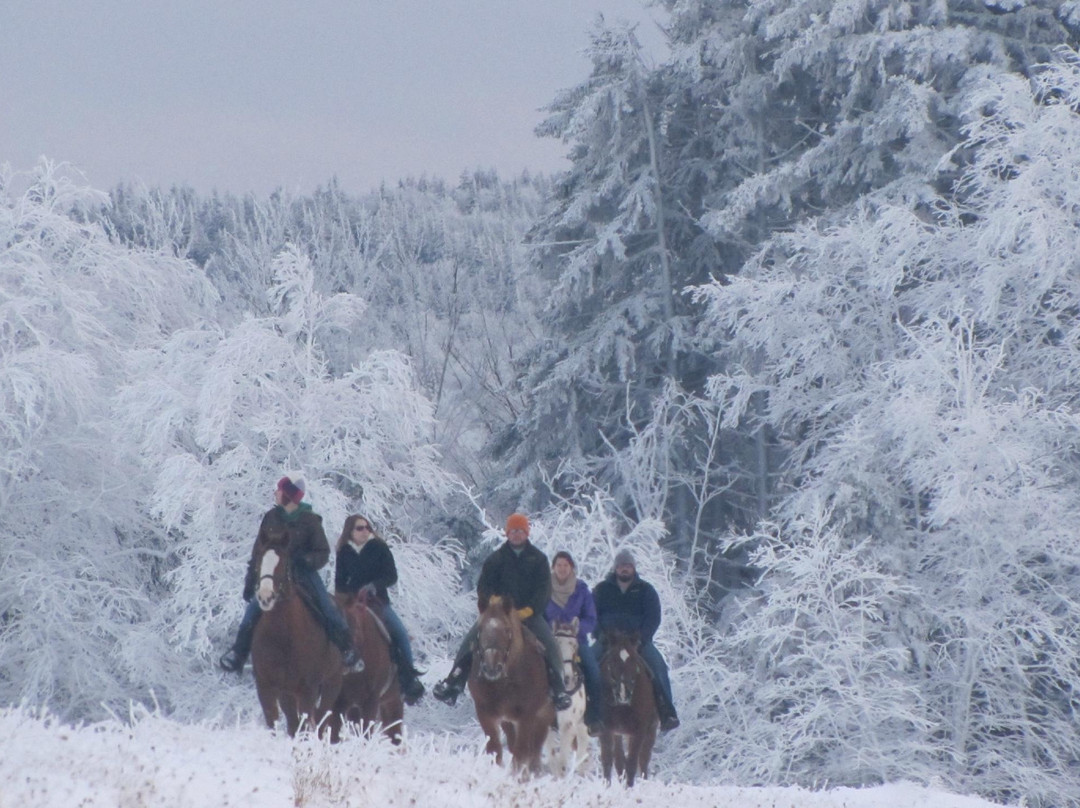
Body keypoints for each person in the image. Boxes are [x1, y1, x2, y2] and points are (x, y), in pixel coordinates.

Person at [431, 513, 573, 711]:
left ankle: (558, 689)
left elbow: (544, 589)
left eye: (521, 531)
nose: (517, 534)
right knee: (471, 639)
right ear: (507, 533)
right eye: (513, 531)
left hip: (529, 615)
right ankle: (453, 682)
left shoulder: (539, 559)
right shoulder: (495, 559)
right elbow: (484, 586)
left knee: (549, 643)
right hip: (498, 616)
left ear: (526, 533)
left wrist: (530, 610)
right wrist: (492, 601)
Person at [219, 475, 359, 673]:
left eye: (279, 490)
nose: (276, 493)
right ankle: (238, 653)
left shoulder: (310, 520)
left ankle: (346, 648)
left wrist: (304, 561)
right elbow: (258, 553)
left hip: (303, 574)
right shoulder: (270, 517)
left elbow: (322, 553)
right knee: (252, 609)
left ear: (289, 496)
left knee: (327, 606)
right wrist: (250, 582)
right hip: (273, 575)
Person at [335, 514, 426, 705]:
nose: (365, 531)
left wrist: (374, 586)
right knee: (333, 629)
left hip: (377, 602)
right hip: (351, 604)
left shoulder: (379, 547)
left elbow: (391, 576)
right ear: (350, 531)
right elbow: (339, 582)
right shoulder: (344, 551)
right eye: (359, 528)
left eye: (367, 527)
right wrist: (342, 599)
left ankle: (409, 678)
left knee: (399, 632)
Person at [592, 548, 680, 732]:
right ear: (615, 568)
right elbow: (591, 615)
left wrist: (642, 638)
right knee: (587, 664)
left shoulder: (646, 590)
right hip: (608, 640)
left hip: (637, 642)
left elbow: (653, 618)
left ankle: (667, 712)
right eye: (621, 566)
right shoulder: (601, 590)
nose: (624, 569)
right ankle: (588, 712)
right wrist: (599, 634)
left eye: (628, 566)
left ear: (633, 568)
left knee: (658, 665)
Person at [543, 550, 602, 732]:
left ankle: (594, 718)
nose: (562, 569)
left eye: (565, 565)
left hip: (577, 641)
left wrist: (576, 630)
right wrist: (548, 629)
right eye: (559, 565)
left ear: (572, 568)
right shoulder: (544, 589)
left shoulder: (582, 590)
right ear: (553, 568)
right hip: (551, 641)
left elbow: (591, 618)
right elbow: (538, 615)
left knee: (593, 671)